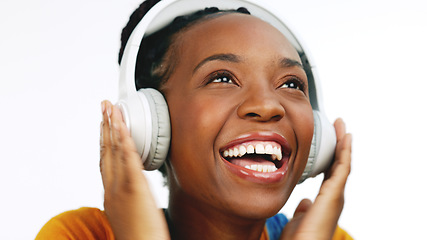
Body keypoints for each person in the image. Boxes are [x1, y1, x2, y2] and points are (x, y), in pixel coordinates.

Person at [36, 0, 353, 239]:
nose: (269, 105)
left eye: (291, 84)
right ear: (152, 123)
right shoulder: (80, 235)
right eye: (222, 79)